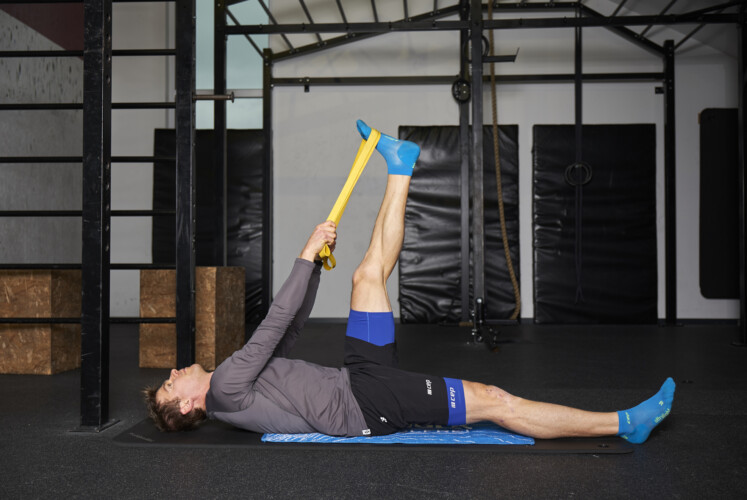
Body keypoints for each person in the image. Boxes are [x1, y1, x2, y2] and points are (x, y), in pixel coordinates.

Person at [144, 120, 675, 444]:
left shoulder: (233, 389)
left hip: (358, 376)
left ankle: (400, 166)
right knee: (494, 399)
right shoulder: (225, 388)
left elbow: (289, 331)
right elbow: (275, 320)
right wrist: (305, 255)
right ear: (188, 406)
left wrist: (315, 269)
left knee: (366, 274)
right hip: (369, 403)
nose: (174, 372)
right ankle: (623, 424)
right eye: (171, 384)